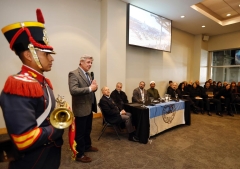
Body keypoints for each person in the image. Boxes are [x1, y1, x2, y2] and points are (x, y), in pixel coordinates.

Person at [0, 9, 64, 169]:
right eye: (46, 54)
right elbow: (24, 139)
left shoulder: (42, 82)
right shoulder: (18, 85)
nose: (52, 58)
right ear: (29, 55)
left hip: (49, 155)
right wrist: (60, 125)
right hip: (33, 161)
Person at [68, 55, 98, 163]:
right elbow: (73, 90)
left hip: (89, 107)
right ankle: (79, 154)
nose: (90, 64)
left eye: (91, 63)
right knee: (80, 133)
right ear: (81, 62)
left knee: (88, 129)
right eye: (88, 62)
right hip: (80, 109)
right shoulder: (74, 74)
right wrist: (90, 88)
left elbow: (90, 89)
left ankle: (87, 146)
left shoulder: (88, 74)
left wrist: (94, 88)